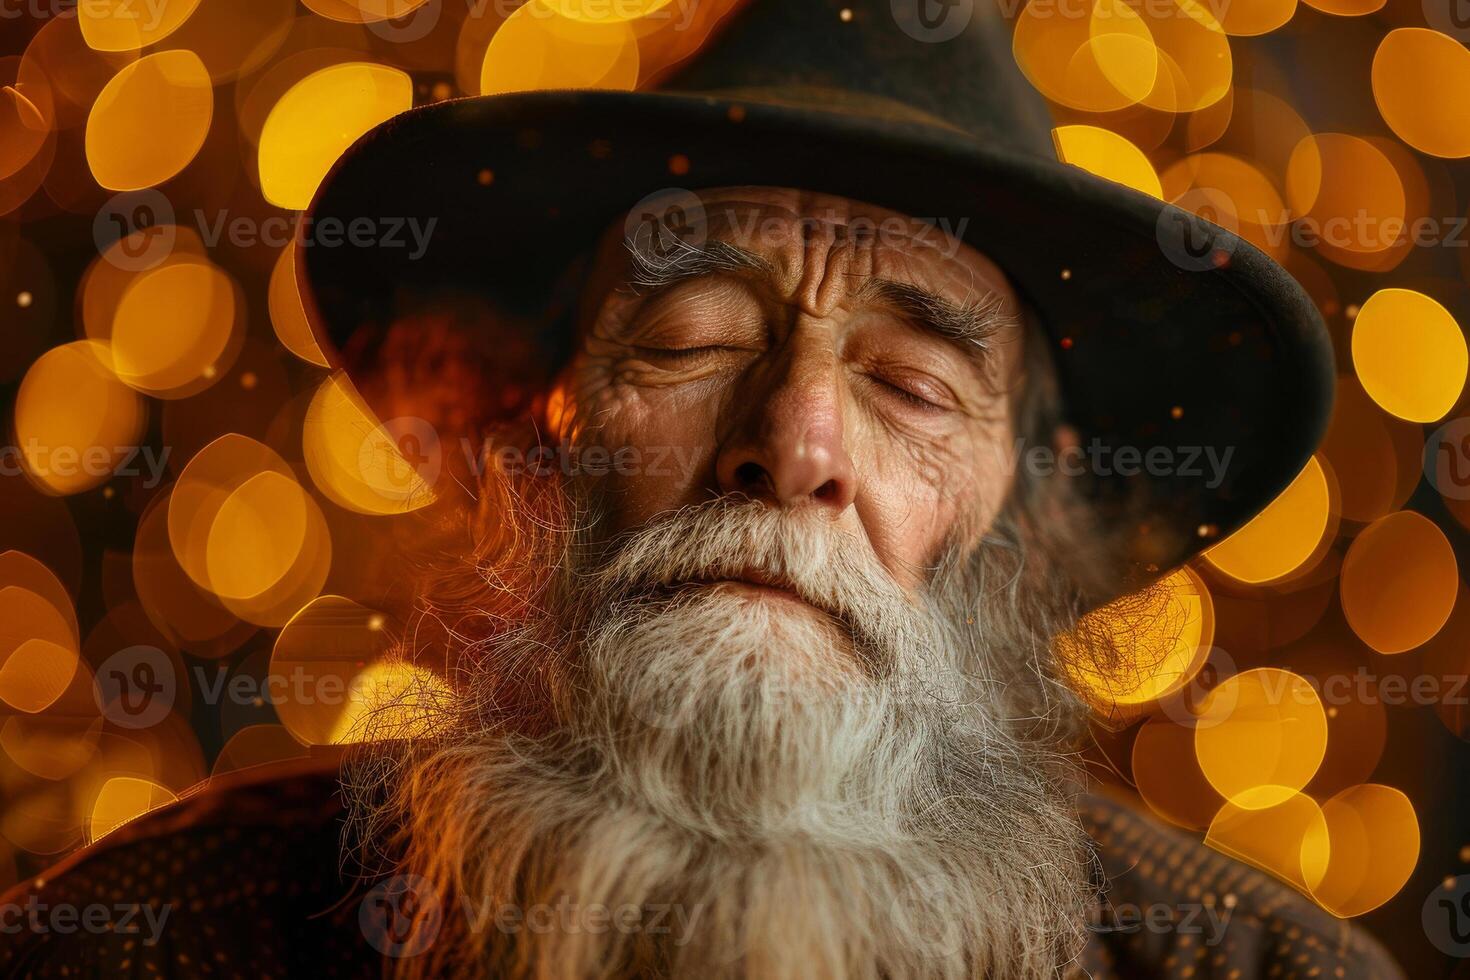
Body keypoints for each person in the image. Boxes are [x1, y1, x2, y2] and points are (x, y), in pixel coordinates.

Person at [1, 1, 1403, 977]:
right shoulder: (161, 938)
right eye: (687, 343)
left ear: (1021, 519)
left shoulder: (1252, 969)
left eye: (910, 386)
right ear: (531, 443)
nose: (792, 441)